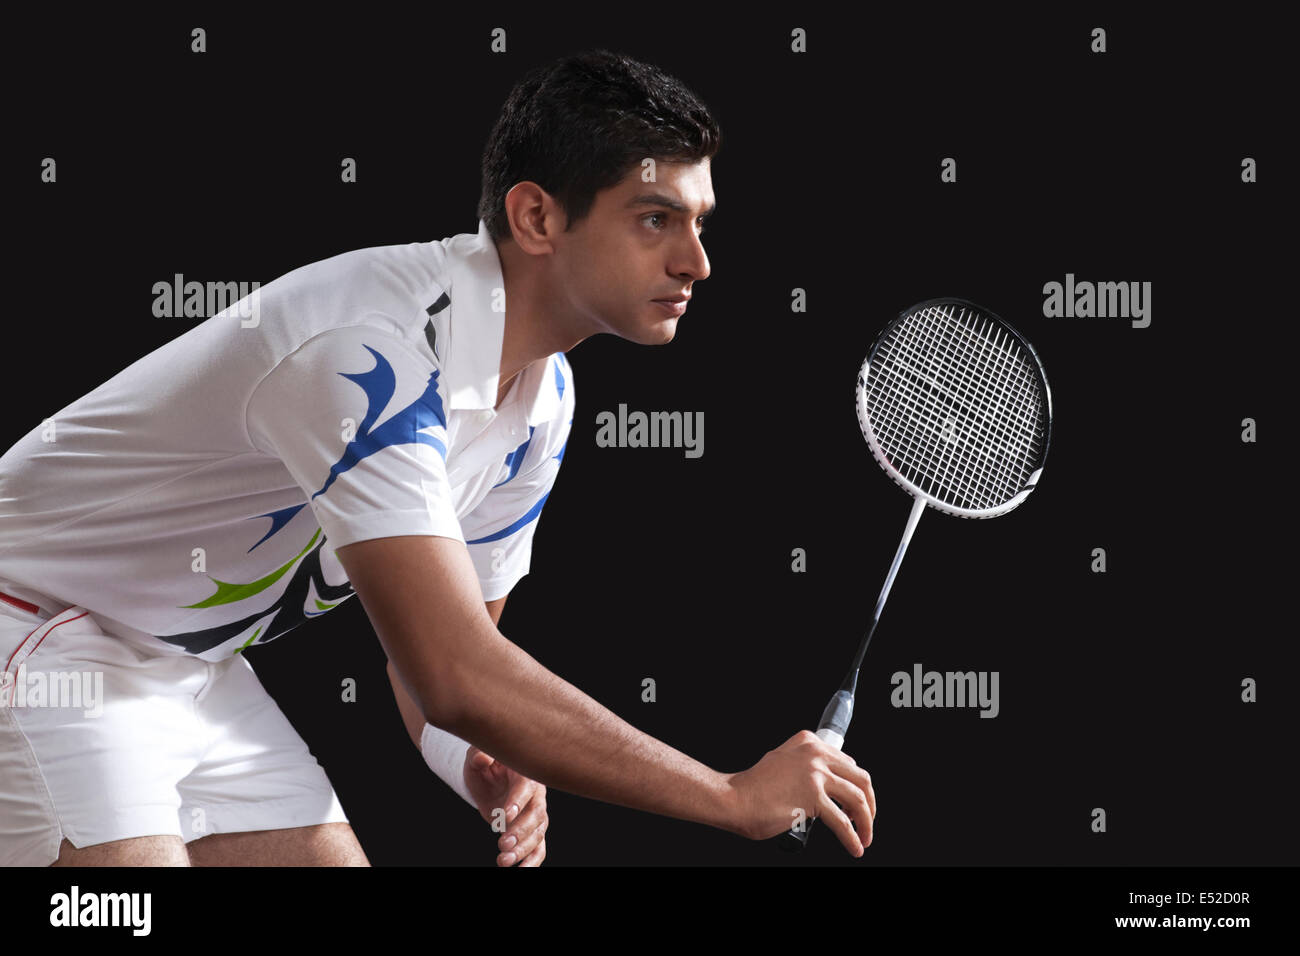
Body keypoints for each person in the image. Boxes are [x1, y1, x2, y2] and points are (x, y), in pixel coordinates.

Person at [0, 49, 875, 867]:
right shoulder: (369, 354)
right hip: (36, 629)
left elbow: (441, 658)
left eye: (699, 223)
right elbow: (457, 673)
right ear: (538, 217)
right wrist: (730, 795)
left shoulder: (543, 403)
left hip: (187, 664)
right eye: (656, 220)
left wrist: (473, 760)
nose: (698, 261)